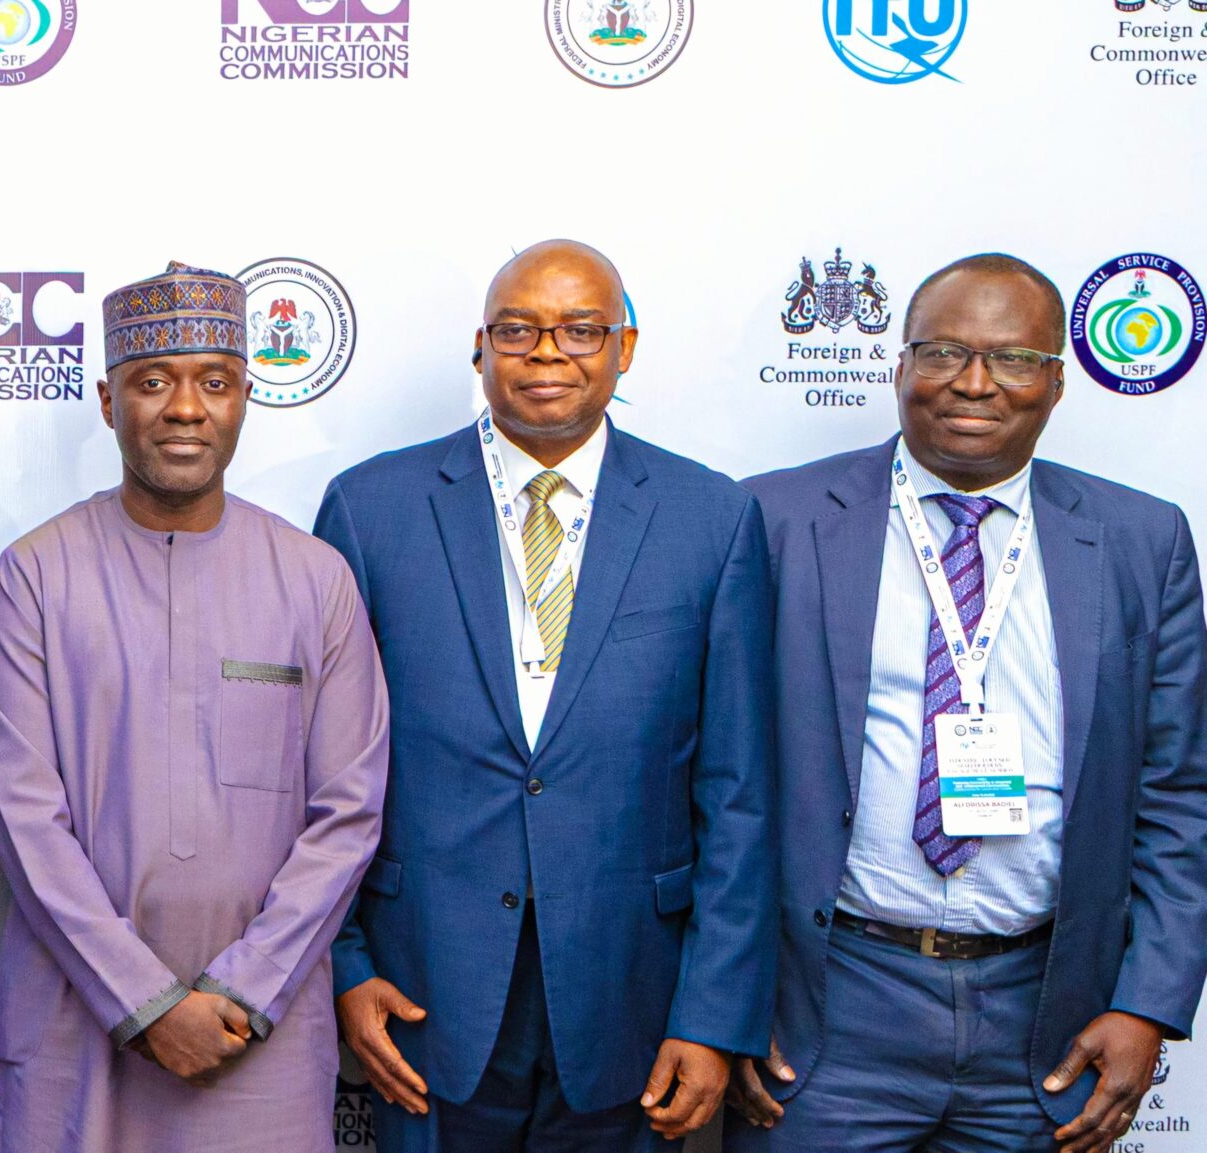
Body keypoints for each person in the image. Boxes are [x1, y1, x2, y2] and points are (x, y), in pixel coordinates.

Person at [727, 254, 1207, 1153]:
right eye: (944, 351)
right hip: (828, 1006)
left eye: (1014, 358)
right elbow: (714, 780)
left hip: (1048, 1016)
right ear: (899, 366)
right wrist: (725, 1002)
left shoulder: (1143, 540)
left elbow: (1179, 795)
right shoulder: (774, 520)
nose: (975, 382)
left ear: (1057, 382)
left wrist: (1149, 1002)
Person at [316, 240, 776, 1151]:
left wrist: (714, 1012)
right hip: (423, 988)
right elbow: (320, 765)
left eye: (580, 330)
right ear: (480, 346)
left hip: (633, 994)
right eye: (519, 330)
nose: (548, 353)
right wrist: (345, 964)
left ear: (624, 348)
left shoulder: (711, 517)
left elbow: (739, 791)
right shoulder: (371, 508)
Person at [0, 262, 390, 1152]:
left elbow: (348, 813)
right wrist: (146, 1002)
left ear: (246, 399)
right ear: (107, 400)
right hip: (75, 1019)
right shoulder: (35, 575)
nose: (186, 409)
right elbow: (25, 822)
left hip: (258, 1035)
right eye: (153, 381)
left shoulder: (315, 580)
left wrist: (242, 991)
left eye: (215, 381)